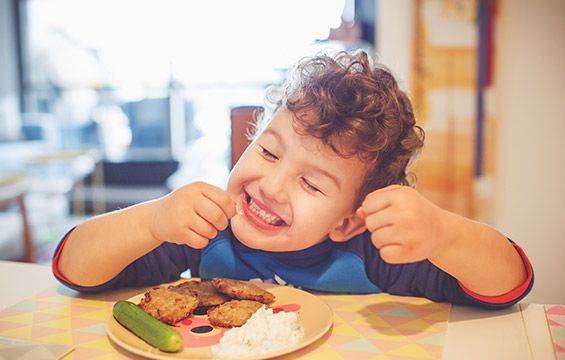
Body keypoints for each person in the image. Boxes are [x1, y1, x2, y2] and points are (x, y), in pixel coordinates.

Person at [52, 50, 533, 309]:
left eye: (312, 184)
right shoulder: (205, 232)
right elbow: (76, 272)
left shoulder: (370, 254)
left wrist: (444, 235)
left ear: (349, 221)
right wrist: (154, 220)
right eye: (267, 151)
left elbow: (508, 284)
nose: (271, 185)